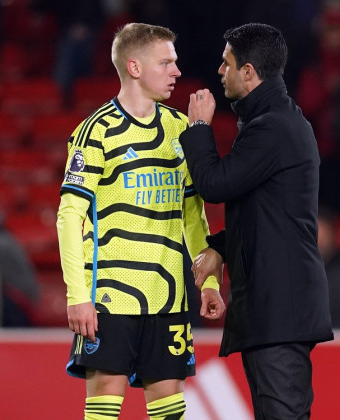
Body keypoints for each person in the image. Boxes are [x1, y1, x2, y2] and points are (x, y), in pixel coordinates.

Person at [56, 23, 224, 420]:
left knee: (170, 411)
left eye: (176, 62)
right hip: (109, 297)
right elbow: (69, 214)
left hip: (167, 295)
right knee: (104, 407)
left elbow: (192, 213)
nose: (176, 71)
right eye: (166, 62)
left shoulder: (180, 129)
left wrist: (210, 280)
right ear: (134, 66)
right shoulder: (96, 131)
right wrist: (77, 295)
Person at [179, 23, 334, 419]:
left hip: (279, 309)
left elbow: (213, 184)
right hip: (278, 307)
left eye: (227, 63)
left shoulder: (273, 127)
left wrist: (198, 128)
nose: (219, 71)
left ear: (248, 72)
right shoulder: (275, 121)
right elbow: (268, 216)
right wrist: (219, 249)